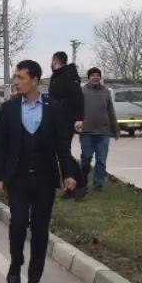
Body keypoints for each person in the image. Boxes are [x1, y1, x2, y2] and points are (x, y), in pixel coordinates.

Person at [0, 60, 79, 283]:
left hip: (44, 178)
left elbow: (63, 145)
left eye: (21, 77)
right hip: (18, 178)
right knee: (19, 223)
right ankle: (16, 263)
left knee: (41, 230)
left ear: (34, 80)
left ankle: (34, 280)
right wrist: (0, 176)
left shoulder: (54, 108)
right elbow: (2, 146)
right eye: (15, 77)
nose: (16, 82)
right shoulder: (9, 108)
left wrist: (69, 174)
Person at [48, 51, 85, 199]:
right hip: (58, 119)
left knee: (63, 151)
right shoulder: (58, 76)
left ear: (55, 60)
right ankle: (74, 185)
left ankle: (78, 184)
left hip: (66, 120)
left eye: (52, 61)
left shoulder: (68, 76)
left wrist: (78, 119)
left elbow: (78, 98)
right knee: (62, 152)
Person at [77, 67, 119, 193]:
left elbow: (111, 111)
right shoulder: (82, 91)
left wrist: (115, 129)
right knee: (86, 158)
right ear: (89, 77)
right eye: (93, 75)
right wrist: (76, 123)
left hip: (103, 132)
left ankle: (98, 185)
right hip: (86, 132)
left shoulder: (106, 92)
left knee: (101, 160)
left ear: (100, 78)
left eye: (97, 75)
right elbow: (76, 109)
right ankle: (82, 181)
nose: (95, 77)